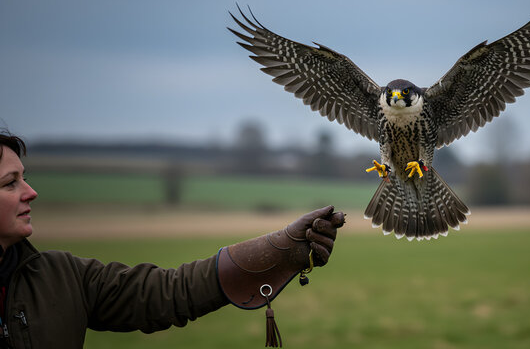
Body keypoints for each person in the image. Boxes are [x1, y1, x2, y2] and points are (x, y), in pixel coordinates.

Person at [0, 131, 345, 348]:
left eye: (24, 178)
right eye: (9, 183)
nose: (31, 192)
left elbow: (167, 292)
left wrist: (279, 249)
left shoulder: (60, 277)